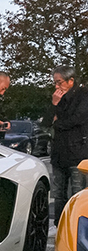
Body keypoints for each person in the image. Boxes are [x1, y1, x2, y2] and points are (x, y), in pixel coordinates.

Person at [43, 65, 88, 226]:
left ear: (71, 81)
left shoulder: (83, 95)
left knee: (77, 193)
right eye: (55, 82)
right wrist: (54, 103)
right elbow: (46, 122)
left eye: (59, 82)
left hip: (78, 152)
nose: (56, 86)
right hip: (58, 153)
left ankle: (77, 226)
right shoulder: (58, 97)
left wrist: (58, 122)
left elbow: (77, 119)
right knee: (58, 193)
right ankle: (59, 224)